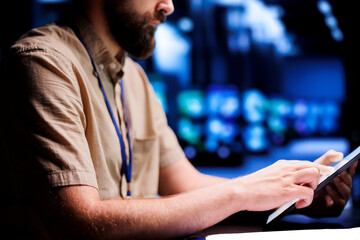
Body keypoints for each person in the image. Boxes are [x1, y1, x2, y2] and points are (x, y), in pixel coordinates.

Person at [0, 0, 357, 239]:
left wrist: (288, 198)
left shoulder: (134, 78)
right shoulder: (44, 61)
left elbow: (185, 184)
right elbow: (80, 222)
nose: (168, 6)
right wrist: (242, 191)